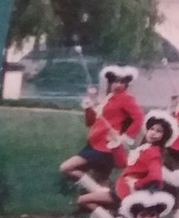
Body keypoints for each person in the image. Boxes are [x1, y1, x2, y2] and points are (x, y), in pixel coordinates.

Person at [75, 110, 178, 218]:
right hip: (120, 191)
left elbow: (156, 177)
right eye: (152, 129)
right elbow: (122, 164)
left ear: (163, 137)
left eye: (159, 131)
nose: (153, 133)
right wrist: (116, 145)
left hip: (127, 193)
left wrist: (136, 184)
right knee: (85, 199)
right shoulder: (144, 148)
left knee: (84, 200)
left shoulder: (153, 154)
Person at [59, 65, 142, 195]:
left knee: (66, 168)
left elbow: (139, 117)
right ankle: (105, 200)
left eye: (122, 82)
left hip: (104, 147)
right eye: (115, 81)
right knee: (100, 181)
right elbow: (90, 122)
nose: (118, 84)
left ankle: (99, 192)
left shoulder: (126, 98)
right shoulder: (108, 98)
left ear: (127, 84)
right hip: (94, 144)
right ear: (110, 82)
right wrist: (88, 107)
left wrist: (125, 137)